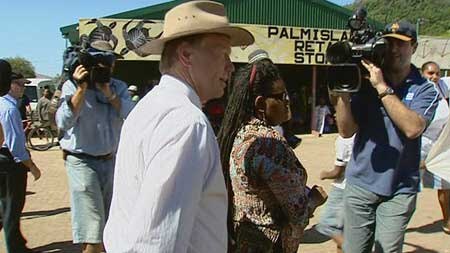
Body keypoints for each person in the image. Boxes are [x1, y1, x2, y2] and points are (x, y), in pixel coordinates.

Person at [103, 1, 254, 252]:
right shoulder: (186, 123)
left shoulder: (149, 107)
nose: (230, 66)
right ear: (186, 55)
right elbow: (157, 243)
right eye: (223, 53)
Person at [332, 20, 439, 253]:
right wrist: (342, 94)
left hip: (399, 189)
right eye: (389, 43)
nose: (393, 49)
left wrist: (382, 87)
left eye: (401, 44)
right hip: (360, 185)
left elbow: (413, 128)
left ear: (414, 47)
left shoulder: (425, 89)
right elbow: (346, 131)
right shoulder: (365, 81)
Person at [217, 53, 327, 253]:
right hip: (271, 245)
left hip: (243, 241)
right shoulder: (268, 145)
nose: (288, 101)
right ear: (260, 104)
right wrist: (314, 199)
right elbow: (297, 212)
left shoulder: (239, 133)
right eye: (281, 96)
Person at [55, 41, 135, 253]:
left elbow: (132, 115)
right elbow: (63, 122)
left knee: (110, 225)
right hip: (82, 163)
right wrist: (81, 88)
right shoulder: (72, 86)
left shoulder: (118, 87)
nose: (103, 67)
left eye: (108, 62)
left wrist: (109, 93)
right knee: (94, 230)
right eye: (96, 62)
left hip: (110, 162)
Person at [0, 59, 42, 253]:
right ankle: (15, 248)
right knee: (12, 208)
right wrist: (31, 166)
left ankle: (17, 242)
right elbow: (16, 146)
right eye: (20, 84)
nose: (23, 88)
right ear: (10, 85)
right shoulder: (9, 109)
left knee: (4, 206)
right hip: (10, 164)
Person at [420, 61, 450, 233]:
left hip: (439, 145)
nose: (435, 77)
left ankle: (447, 221)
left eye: (437, 73)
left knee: (445, 184)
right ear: (423, 73)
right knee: (407, 185)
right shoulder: (416, 89)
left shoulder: (442, 86)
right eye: (430, 73)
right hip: (419, 143)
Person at [316, 134, 355, 253]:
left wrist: (325, 174)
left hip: (341, 188)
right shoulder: (361, 135)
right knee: (345, 230)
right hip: (356, 187)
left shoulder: (344, 140)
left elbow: (337, 172)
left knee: (327, 225)